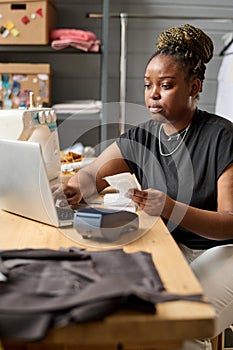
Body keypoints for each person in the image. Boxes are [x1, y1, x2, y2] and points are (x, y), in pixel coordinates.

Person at [54, 24, 233, 350]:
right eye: (148, 85)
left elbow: (229, 223)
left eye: (165, 85)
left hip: (223, 251)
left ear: (194, 86)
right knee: (125, 309)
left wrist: (169, 207)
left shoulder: (222, 137)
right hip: (171, 245)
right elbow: (91, 173)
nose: (153, 94)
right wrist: (72, 188)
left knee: (179, 327)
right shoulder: (143, 137)